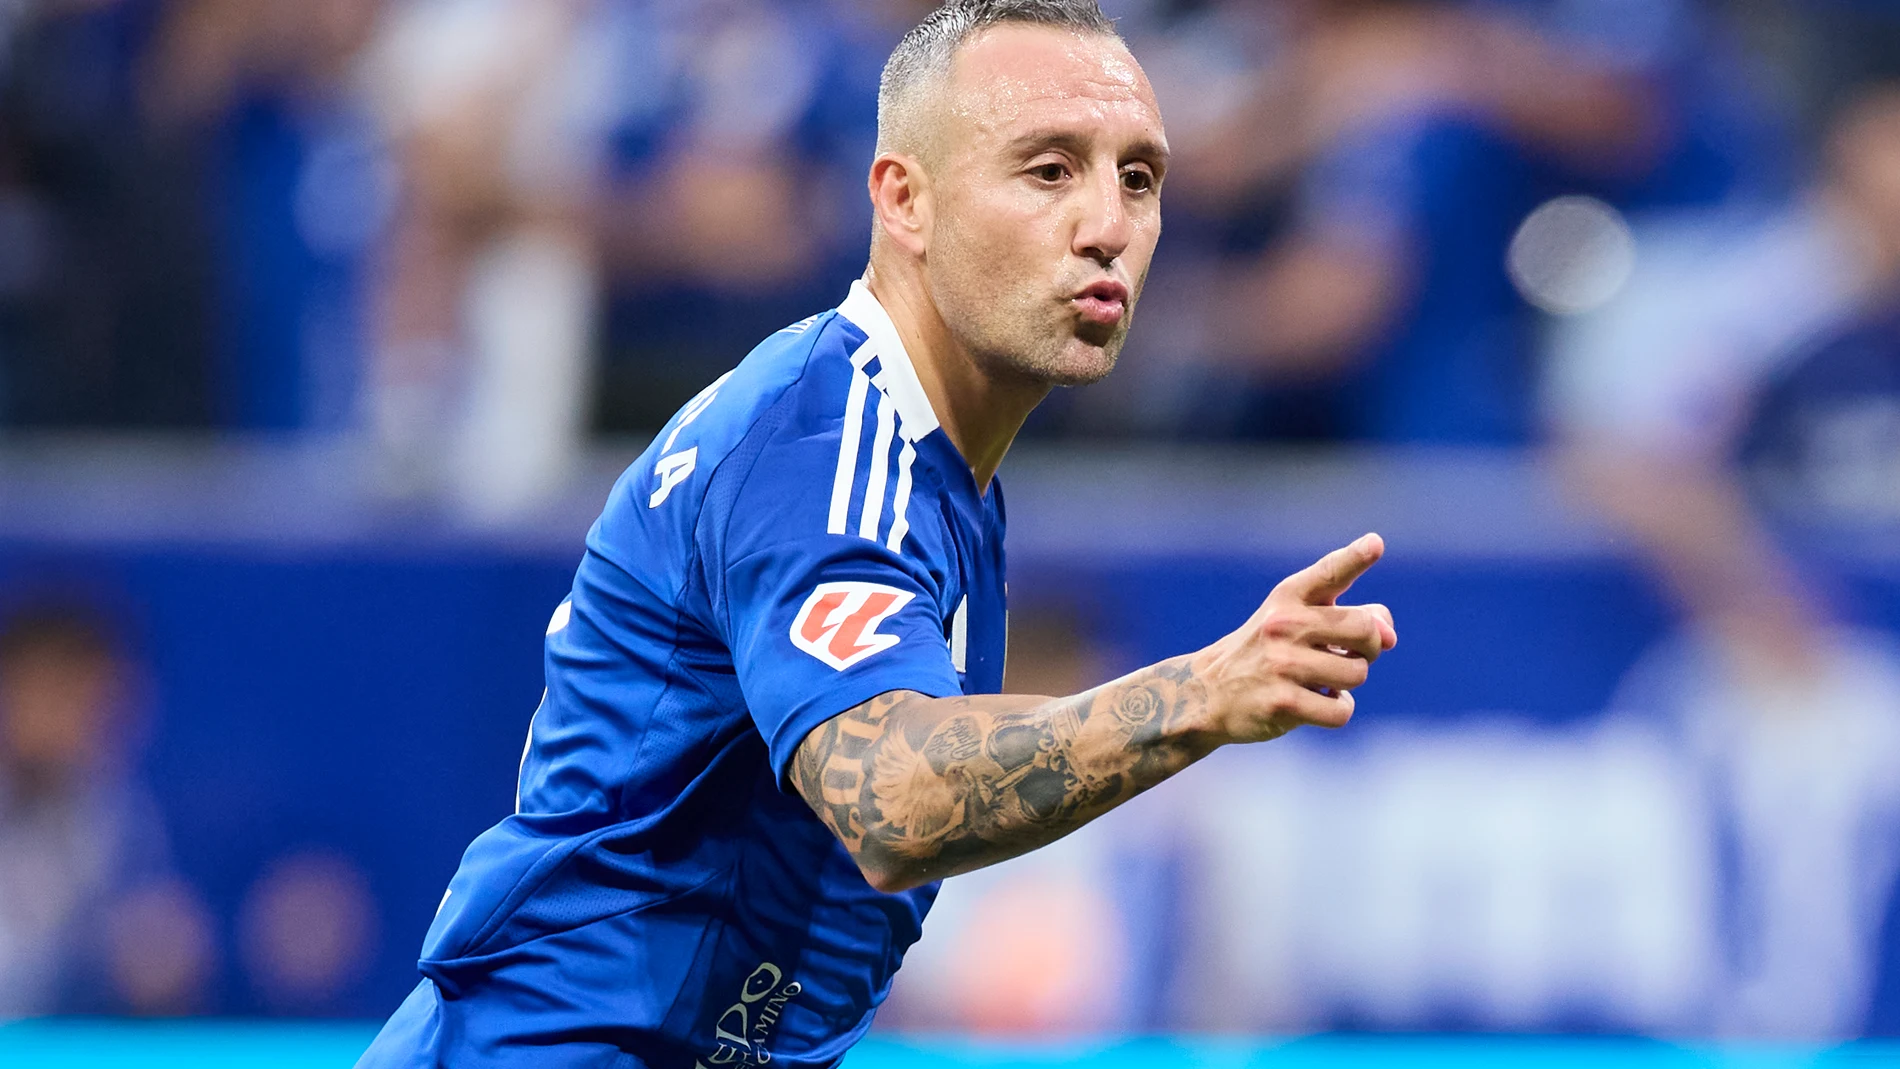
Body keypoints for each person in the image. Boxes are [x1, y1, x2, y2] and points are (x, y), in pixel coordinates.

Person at [357, 2, 1398, 1066]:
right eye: (1047, 170)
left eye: (1138, 178)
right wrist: (1197, 695)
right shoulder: (826, 446)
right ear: (906, 198)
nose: (1107, 224)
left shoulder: (931, 471)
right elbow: (894, 800)